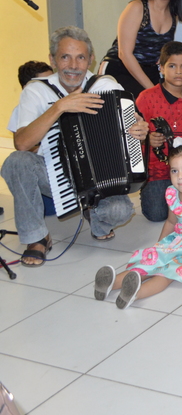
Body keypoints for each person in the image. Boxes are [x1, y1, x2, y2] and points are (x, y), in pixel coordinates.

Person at [2, 27, 146, 265]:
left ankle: (95, 218)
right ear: (52, 60)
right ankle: (37, 237)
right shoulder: (36, 90)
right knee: (16, 162)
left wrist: (140, 130)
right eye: (65, 57)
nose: (73, 65)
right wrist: (60, 107)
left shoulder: (105, 85)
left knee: (120, 211)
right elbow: (22, 143)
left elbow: (131, 129)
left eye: (80, 57)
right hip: (53, 177)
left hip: (99, 180)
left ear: (91, 59)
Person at [93, 143, 182, 308]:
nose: (180, 176)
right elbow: (171, 222)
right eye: (174, 171)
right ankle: (111, 283)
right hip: (178, 240)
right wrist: (159, 248)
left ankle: (135, 293)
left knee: (168, 272)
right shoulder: (173, 194)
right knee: (149, 262)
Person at [136, 42, 182, 222]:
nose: (178, 71)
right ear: (161, 68)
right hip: (157, 171)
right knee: (157, 214)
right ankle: (155, 192)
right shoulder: (146, 98)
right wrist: (147, 139)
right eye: (171, 66)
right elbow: (132, 136)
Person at [101, 0, 182, 97]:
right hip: (120, 69)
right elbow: (124, 54)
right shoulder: (137, 7)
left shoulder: (173, 15)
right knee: (148, 101)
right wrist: (153, 90)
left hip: (149, 70)